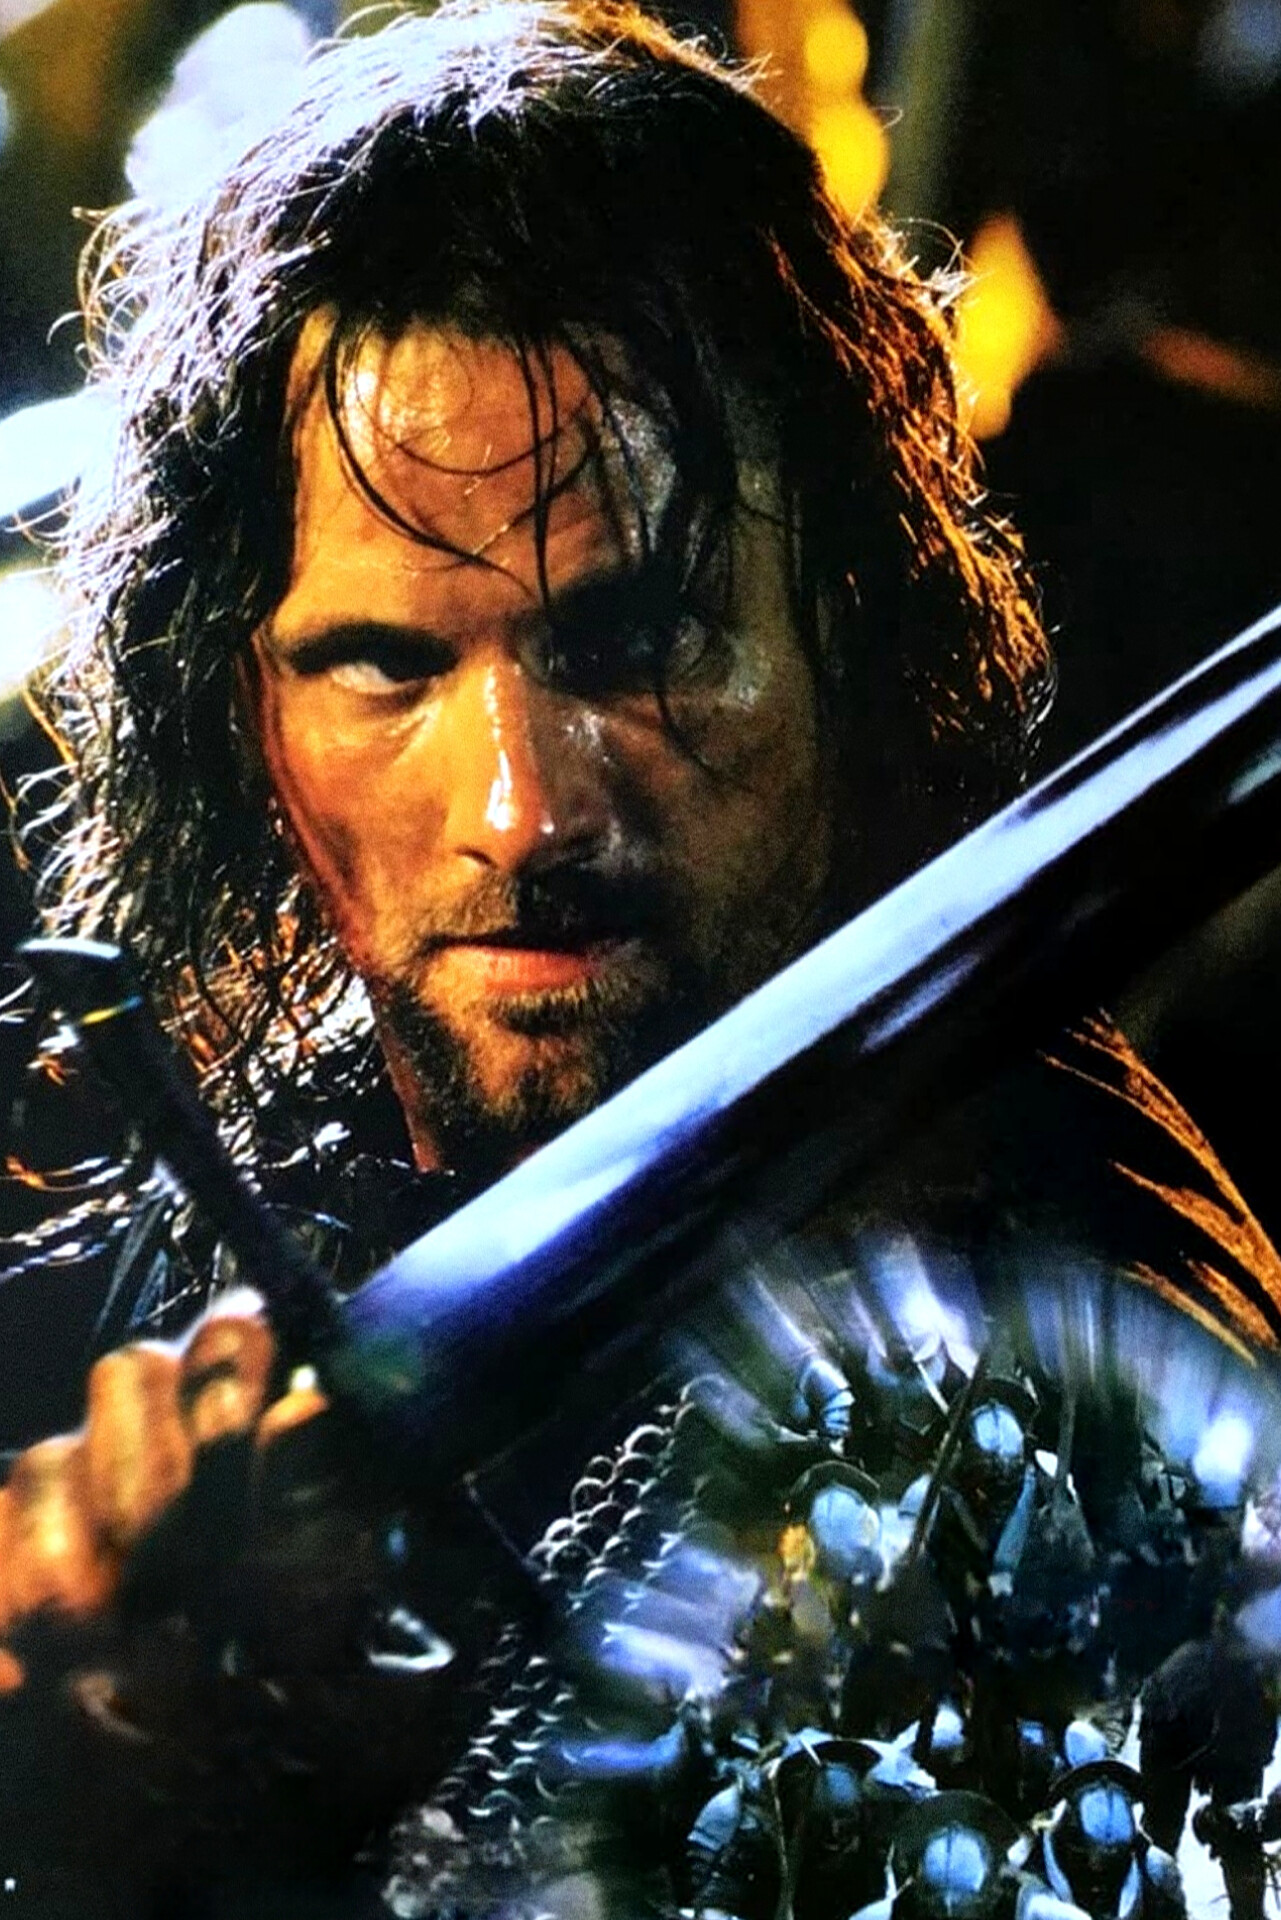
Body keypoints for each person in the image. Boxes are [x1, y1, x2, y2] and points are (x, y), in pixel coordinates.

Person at [2, 0, 1281, 1911]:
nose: (523, 812)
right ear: (240, 709)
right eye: (385, 666)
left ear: (851, 623)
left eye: (635, 640)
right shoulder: (267, 1149)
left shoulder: (1067, 1398)